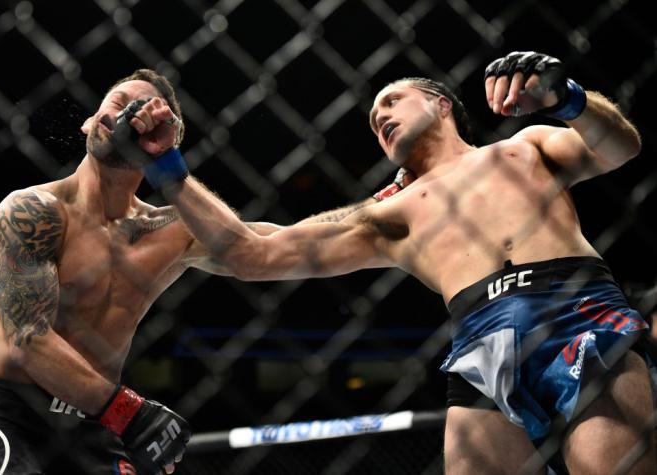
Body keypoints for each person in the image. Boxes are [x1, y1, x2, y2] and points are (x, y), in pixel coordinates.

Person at [148, 52, 656, 473]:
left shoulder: (520, 148)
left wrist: (567, 98)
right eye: (372, 120)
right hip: (481, 345)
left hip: (575, 310)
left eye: (392, 102)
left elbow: (620, 147)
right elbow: (255, 252)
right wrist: (170, 173)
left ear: (439, 104)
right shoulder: (389, 214)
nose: (380, 119)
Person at [0, 69, 265, 475]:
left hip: (96, 427)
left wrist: (376, 213)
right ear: (90, 120)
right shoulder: (32, 211)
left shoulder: (170, 231)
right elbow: (27, 338)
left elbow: (275, 244)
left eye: (142, 113)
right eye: (119, 102)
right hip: (16, 417)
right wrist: (129, 412)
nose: (126, 115)